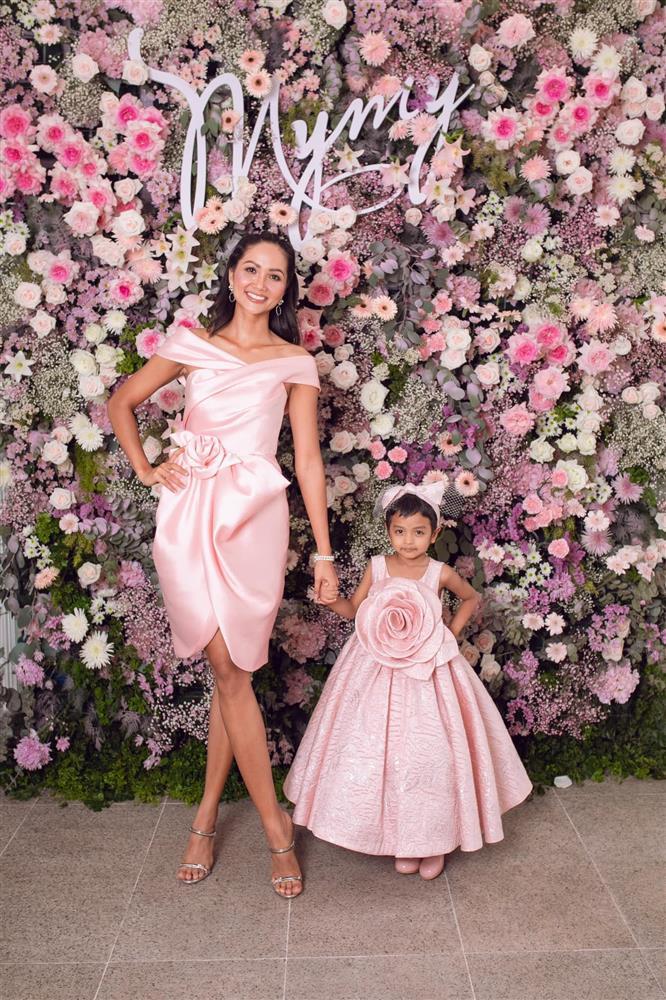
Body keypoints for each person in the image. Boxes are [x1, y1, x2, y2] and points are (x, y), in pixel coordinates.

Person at [108, 230, 339, 898]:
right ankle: (275, 829)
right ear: (232, 276)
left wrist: (324, 553)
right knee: (227, 669)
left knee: (232, 670)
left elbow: (308, 462)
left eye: (275, 275)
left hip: (253, 522)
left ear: (286, 290)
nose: (261, 284)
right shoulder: (191, 344)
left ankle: (206, 818)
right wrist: (147, 468)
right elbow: (121, 402)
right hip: (188, 516)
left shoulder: (294, 361)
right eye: (251, 270)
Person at [284, 481, 533, 880]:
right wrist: (332, 602)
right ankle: (400, 838)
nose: (408, 540)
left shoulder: (439, 572)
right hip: (374, 665)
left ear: (434, 534)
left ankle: (432, 841)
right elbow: (356, 610)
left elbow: (471, 598)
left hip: (428, 671)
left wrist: (450, 633)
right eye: (399, 531)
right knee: (376, 749)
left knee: (428, 754)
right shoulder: (378, 567)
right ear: (388, 531)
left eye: (418, 532)